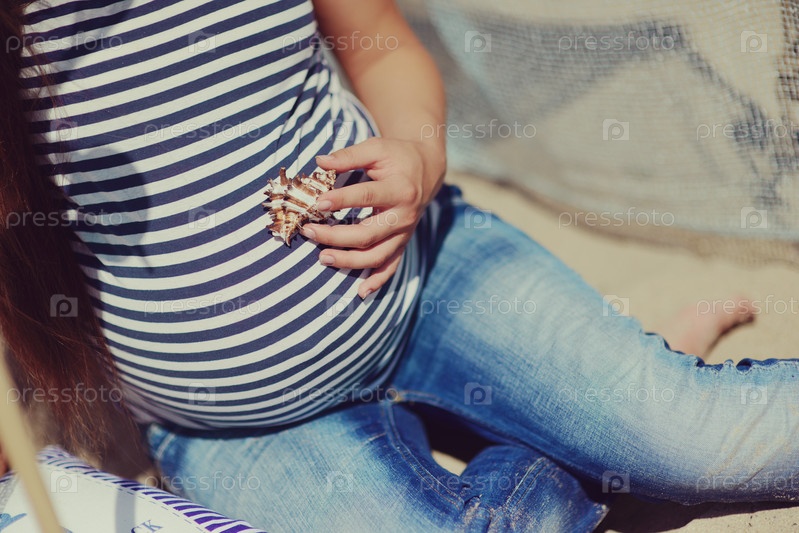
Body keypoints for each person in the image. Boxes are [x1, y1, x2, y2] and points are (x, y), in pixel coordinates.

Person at [1, 0, 795, 531]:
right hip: (228, 423)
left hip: (430, 284)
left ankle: (636, 422)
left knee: (699, 442)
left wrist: (416, 153)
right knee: (646, 439)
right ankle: (616, 424)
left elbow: (381, 42)